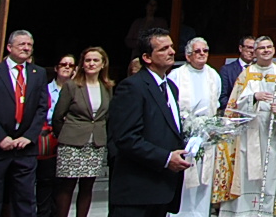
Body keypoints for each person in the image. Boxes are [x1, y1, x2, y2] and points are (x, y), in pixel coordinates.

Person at [106, 28, 191, 217]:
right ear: (147, 57)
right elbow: (126, 138)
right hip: (137, 190)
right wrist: (166, 158)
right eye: (163, 49)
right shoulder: (132, 87)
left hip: (162, 187)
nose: (171, 52)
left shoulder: (170, 87)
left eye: (171, 47)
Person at [214, 36, 276, 216]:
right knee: (246, 174)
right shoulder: (246, 74)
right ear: (255, 52)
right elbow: (233, 107)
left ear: (274, 50)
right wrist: (253, 97)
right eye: (262, 48)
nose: (266, 50)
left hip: (271, 136)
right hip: (248, 136)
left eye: (269, 47)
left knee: (270, 176)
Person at [0, 29, 51, 217]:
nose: (26, 48)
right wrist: (0, 137)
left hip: (25, 148)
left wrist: (29, 136)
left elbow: (43, 108)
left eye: (29, 45)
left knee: (25, 199)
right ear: (9, 47)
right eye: (22, 44)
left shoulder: (38, 73)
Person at [51, 47, 112, 217]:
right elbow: (58, 116)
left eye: (95, 60)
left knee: (87, 186)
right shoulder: (72, 86)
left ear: (103, 64)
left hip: (95, 143)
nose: (91, 64)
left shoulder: (106, 86)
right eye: (88, 60)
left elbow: (106, 115)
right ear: (82, 64)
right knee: (67, 186)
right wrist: (66, 135)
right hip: (71, 143)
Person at [167, 38, 222, 217]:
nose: (202, 54)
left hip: (206, 135)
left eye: (205, 51)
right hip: (184, 134)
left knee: (204, 178)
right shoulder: (176, 75)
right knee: (185, 176)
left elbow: (217, 101)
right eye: (197, 51)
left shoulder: (213, 75)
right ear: (188, 55)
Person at [38, 55, 77, 217]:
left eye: (71, 65)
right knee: (45, 183)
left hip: (69, 141)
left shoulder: (78, 91)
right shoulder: (44, 90)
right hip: (48, 141)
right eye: (63, 64)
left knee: (63, 186)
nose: (67, 67)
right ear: (56, 68)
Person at [218, 37, 257, 110]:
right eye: (249, 47)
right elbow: (222, 97)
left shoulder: (259, 70)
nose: (252, 51)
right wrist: (235, 110)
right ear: (240, 48)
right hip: (233, 114)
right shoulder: (227, 70)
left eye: (254, 48)